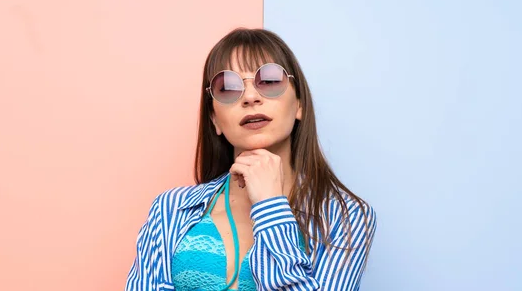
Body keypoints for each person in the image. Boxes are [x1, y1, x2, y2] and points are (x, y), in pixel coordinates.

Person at [125, 28, 377, 291]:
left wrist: (271, 207)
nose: (250, 97)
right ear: (215, 120)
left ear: (299, 104)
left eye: (269, 81)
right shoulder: (171, 208)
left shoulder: (346, 217)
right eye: (229, 87)